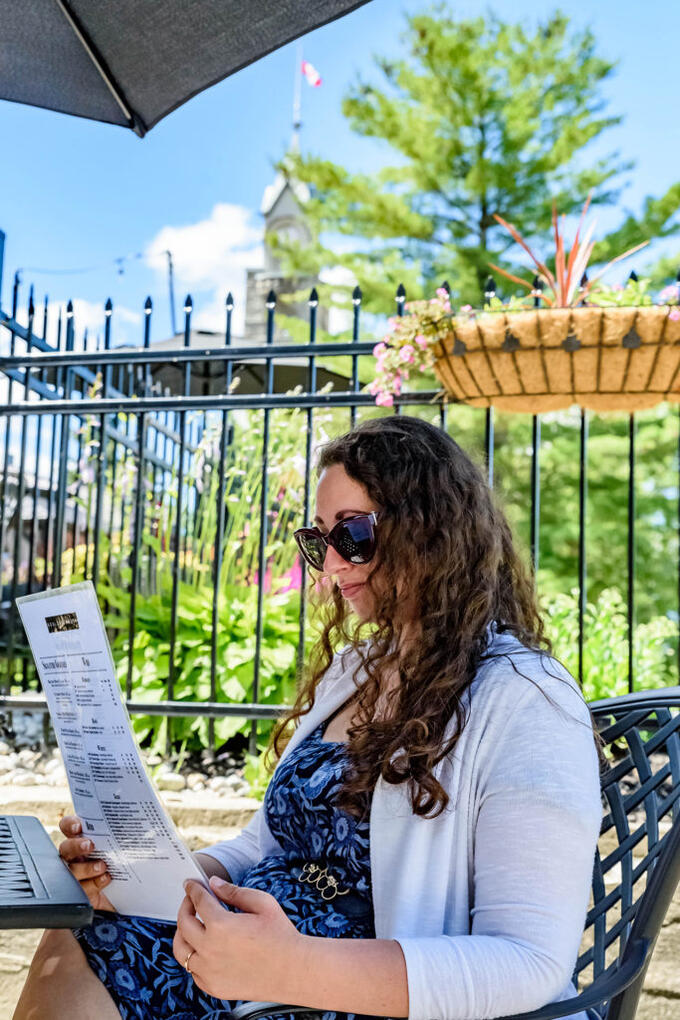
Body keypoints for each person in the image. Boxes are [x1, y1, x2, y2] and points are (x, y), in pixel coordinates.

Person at [14, 415, 604, 1020]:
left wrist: (290, 968)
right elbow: (266, 845)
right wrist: (149, 880)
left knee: (92, 949)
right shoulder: (358, 669)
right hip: (253, 956)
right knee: (83, 930)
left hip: (355, 990)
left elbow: (529, 961)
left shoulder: (526, 698)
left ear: (432, 530)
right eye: (318, 539)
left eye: (352, 534)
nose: (331, 562)